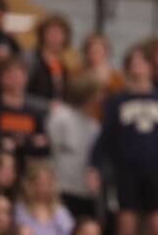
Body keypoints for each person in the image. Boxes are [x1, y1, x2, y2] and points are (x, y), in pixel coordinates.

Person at [89, 46, 158, 235]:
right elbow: (105, 136)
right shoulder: (119, 101)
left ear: (150, 67)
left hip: (157, 171)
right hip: (127, 172)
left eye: (141, 62)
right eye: (133, 63)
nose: (137, 67)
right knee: (126, 223)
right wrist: (94, 166)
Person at [46, 75, 101, 219]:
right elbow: (50, 150)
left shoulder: (94, 125)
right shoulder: (61, 117)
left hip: (84, 190)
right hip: (62, 187)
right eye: (97, 94)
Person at [0, 59, 49, 160]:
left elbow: (43, 145)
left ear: (26, 77)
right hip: (0, 163)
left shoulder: (37, 110)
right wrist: (29, 142)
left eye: (18, 74)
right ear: (0, 79)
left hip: (30, 163)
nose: (15, 79)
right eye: (10, 75)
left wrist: (17, 143)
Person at [15, 164, 74, 235]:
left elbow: (70, 230)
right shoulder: (21, 209)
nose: (44, 188)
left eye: (48, 184)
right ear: (31, 185)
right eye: (40, 183)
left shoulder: (60, 211)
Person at [26, 16, 74, 102]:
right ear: (43, 34)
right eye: (52, 32)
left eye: (60, 33)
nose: (55, 37)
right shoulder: (30, 58)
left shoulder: (62, 65)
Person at [80, 34, 123, 119]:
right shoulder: (79, 73)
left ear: (106, 52)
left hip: (106, 117)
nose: (94, 54)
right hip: (83, 117)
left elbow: (118, 99)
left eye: (98, 51)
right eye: (91, 51)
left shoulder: (116, 77)